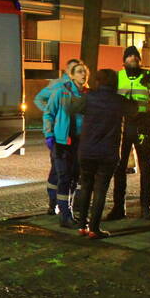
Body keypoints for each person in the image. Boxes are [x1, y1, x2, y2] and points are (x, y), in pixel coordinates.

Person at [65, 68, 137, 237]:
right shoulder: (119, 101)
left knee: (86, 186)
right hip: (108, 153)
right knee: (100, 189)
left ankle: (82, 226)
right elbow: (134, 109)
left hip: (87, 150)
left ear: (97, 81)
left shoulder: (89, 98)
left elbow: (72, 108)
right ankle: (95, 229)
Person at [106, 45, 150, 221]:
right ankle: (118, 208)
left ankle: (146, 207)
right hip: (123, 127)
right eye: (129, 56)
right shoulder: (118, 77)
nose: (133, 59)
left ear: (140, 60)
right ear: (124, 61)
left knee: (146, 167)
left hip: (142, 126)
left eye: (135, 56)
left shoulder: (149, 75)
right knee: (119, 167)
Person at [43, 62, 88, 228]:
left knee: (74, 178)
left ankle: (69, 212)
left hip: (80, 142)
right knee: (64, 177)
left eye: (85, 72)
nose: (83, 74)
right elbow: (49, 113)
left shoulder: (88, 95)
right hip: (63, 142)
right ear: (72, 75)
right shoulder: (61, 92)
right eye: (79, 72)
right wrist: (49, 134)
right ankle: (64, 214)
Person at [34, 58, 80, 214]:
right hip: (59, 136)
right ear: (67, 70)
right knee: (57, 171)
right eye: (73, 68)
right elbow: (39, 99)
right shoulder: (58, 85)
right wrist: (54, 116)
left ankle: (69, 206)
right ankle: (53, 203)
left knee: (72, 172)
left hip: (75, 138)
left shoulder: (81, 88)